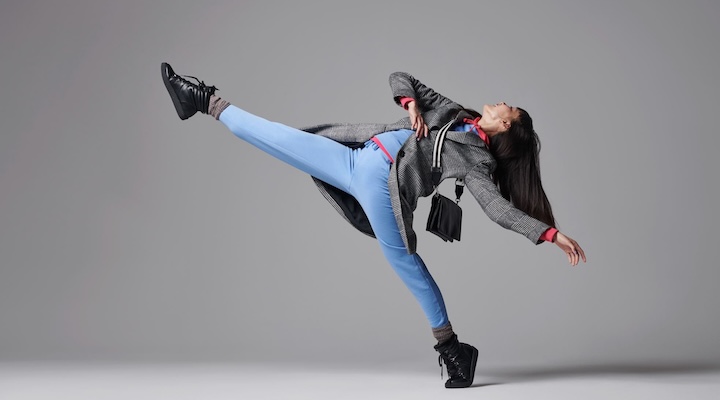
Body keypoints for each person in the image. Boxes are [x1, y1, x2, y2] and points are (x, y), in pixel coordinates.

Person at [161, 63, 587, 389]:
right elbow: (401, 76)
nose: (499, 102)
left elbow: (496, 208)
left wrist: (549, 234)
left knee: (407, 265)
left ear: (507, 125)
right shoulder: (454, 112)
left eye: (506, 107)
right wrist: (412, 105)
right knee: (278, 138)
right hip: (354, 157)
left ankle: (452, 349)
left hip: (384, 188)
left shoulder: (478, 160)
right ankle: (202, 100)